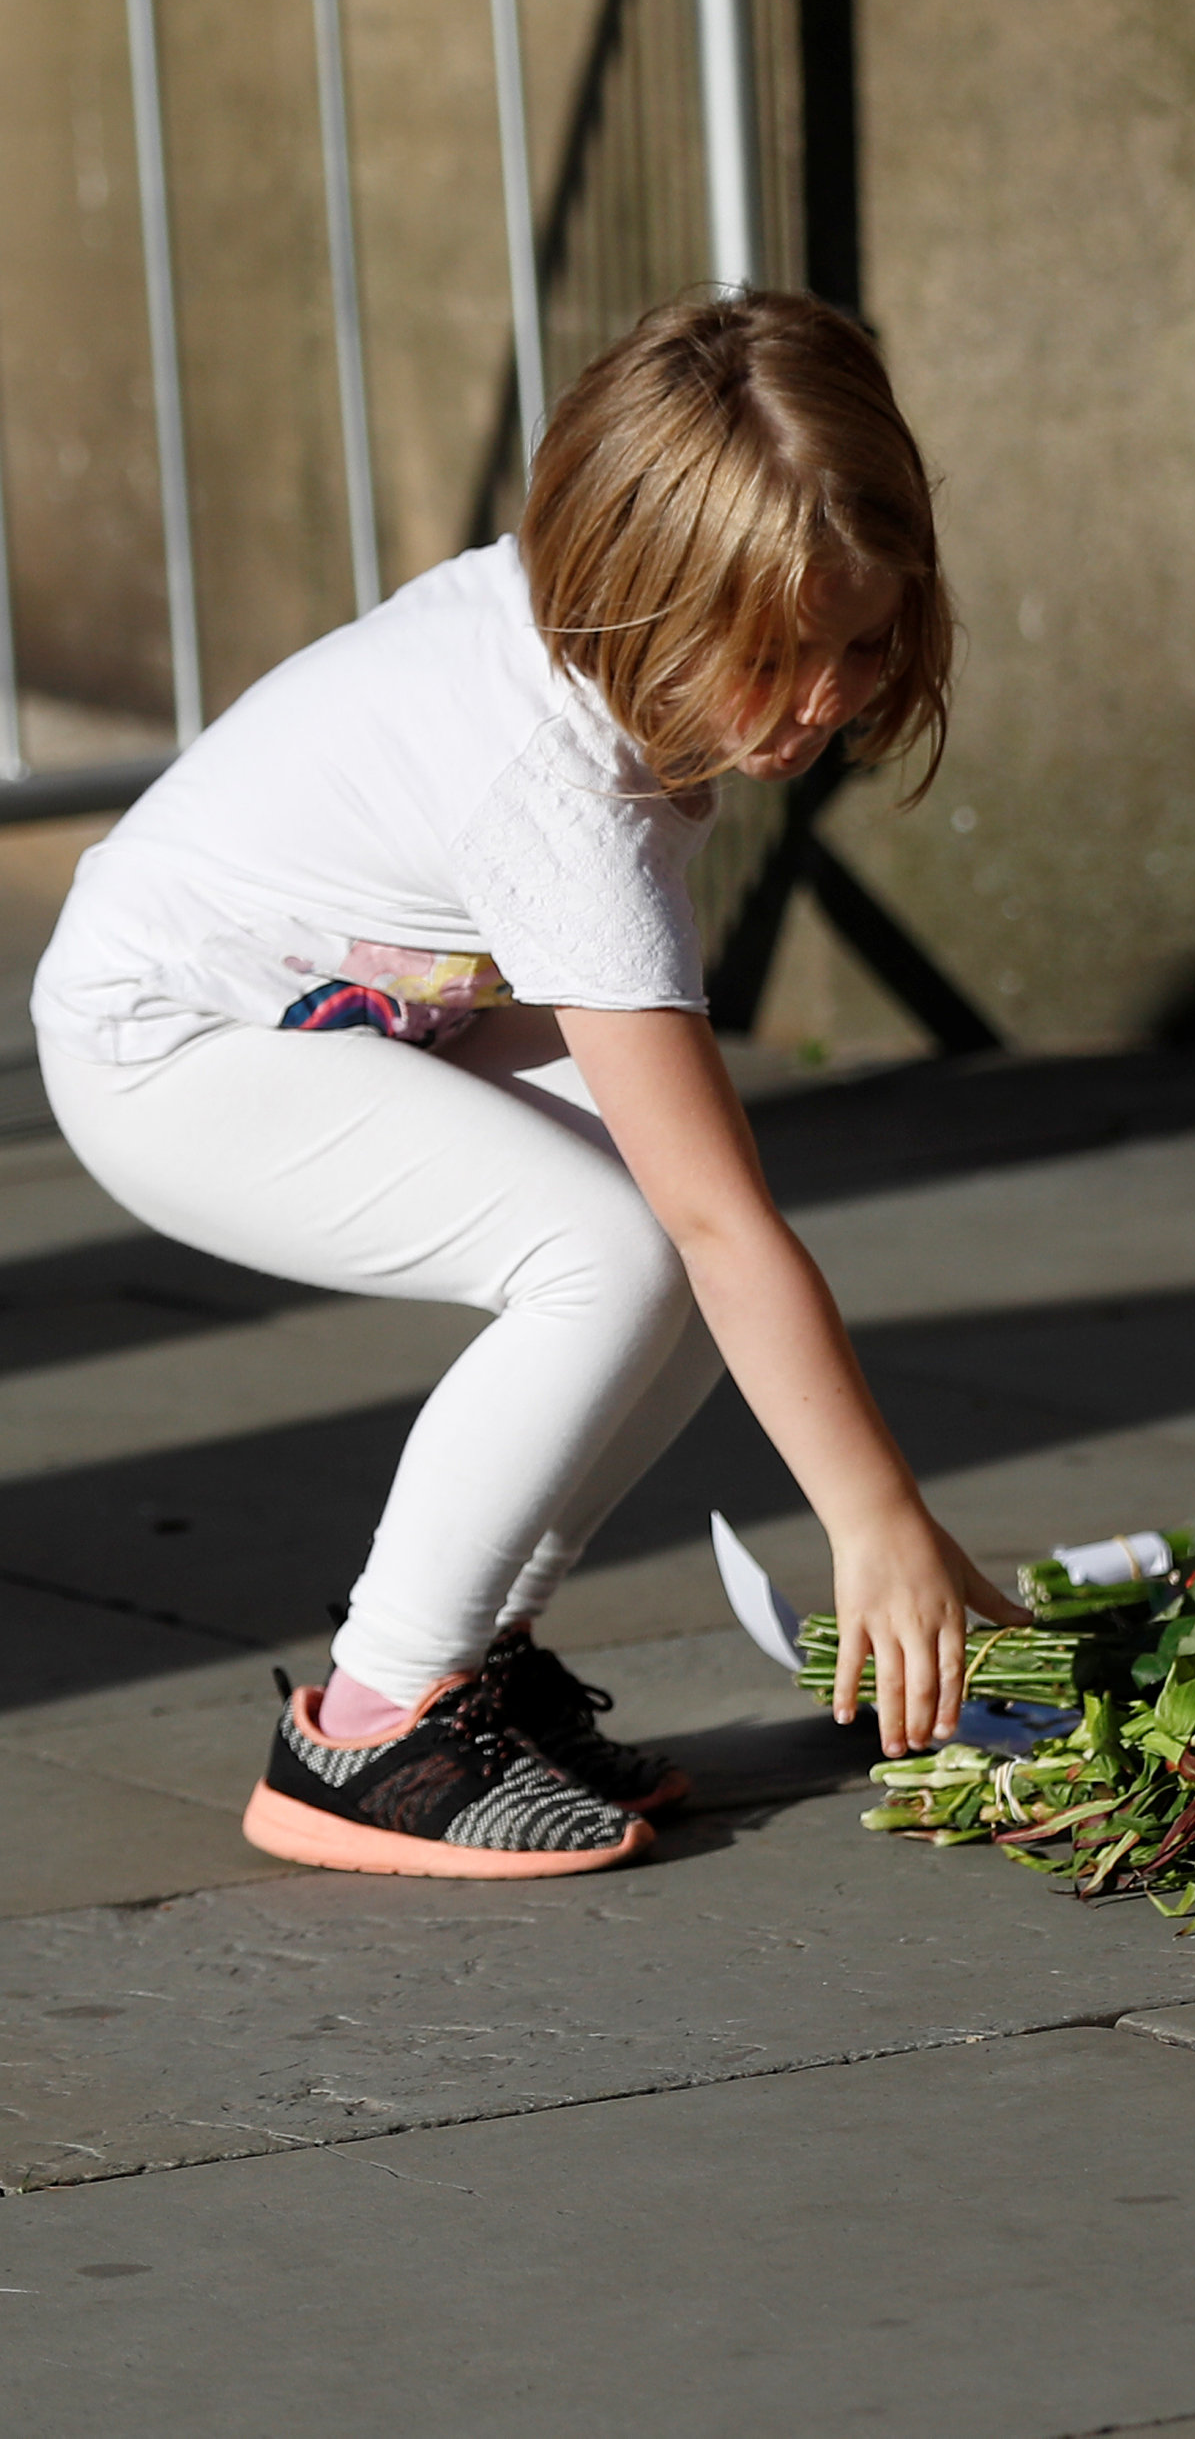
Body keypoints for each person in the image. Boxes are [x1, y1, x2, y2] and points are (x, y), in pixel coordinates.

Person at [29, 290, 1025, 1878]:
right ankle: (375, 1726)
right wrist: (875, 1514)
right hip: (169, 1051)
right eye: (781, 658)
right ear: (638, 598)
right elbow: (713, 1220)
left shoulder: (612, 651)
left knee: (667, 1239)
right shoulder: (556, 786)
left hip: (342, 1011)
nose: (830, 698)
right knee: (624, 1248)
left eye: (865, 640)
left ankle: (471, 1657)